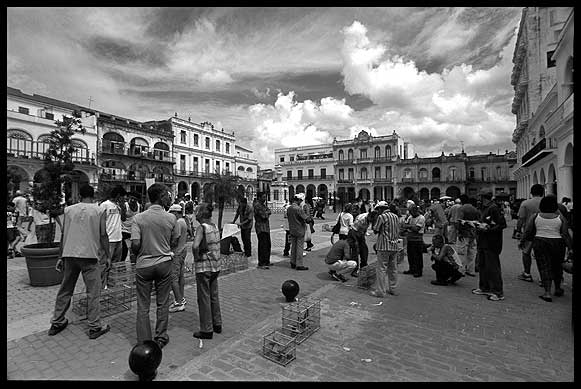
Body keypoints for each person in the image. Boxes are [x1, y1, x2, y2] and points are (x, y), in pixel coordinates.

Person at [48, 183, 111, 339]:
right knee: (93, 292)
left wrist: (60, 256)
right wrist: (108, 255)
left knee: (66, 289)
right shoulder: (99, 210)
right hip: (89, 255)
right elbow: (103, 234)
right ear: (93, 195)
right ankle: (94, 326)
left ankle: (57, 321)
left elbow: (64, 234)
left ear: (79, 196)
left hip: (70, 254)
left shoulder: (69, 210)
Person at [131, 183, 178, 349]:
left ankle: (144, 341)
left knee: (143, 305)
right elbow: (174, 241)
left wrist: (140, 249)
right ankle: (161, 336)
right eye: (166, 194)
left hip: (144, 265)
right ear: (160, 196)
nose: (168, 197)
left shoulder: (138, 218)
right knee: (162, 302)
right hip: (164, 263)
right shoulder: (171, 218)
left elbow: (135, 244)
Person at [521, 195, 572, 302]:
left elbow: (528, 230)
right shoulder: (560, 217)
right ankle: (558, 288)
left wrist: (522, 241)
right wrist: (570, 247)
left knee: (544, 267)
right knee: (557, 266)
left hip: (540, 242)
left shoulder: (535, 216)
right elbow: (565, 234)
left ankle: (547, 292)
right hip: (558, 243)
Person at [191, 202, 223, 339]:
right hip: (216, 265)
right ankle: (217, 323)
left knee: (204, 298)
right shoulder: (214, 226)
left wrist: (197, 257)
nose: (195, 215)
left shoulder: (201, 228)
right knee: (214, 296)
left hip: (204, 266)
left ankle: (206, 329)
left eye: (196, 212)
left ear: (201, 214)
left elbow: (195, 246)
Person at [471, 191, 507, 302]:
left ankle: (498, 292)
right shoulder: (484, 208)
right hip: (483, 241)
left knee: (492, 267)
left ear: (483, 198)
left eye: (480, 197)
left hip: (491, 242)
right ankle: (484, 287)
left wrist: (488, 229)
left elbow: (502, 224)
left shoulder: (493, 208)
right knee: (483, 265)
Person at [515, 184, 544, 283]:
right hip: (543, 231)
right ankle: (542, 277)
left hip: (529, 232)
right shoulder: (546, 203)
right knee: (541, 255)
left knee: (526, 252)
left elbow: (521, 219)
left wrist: (518, 231)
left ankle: (527, 273)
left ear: (531, 192)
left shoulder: (525, 203)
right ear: (543, 192)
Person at [370, 202, 400, 298]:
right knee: (393, 269)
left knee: (381, 269)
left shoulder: (382, 217)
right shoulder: (395, 216)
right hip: (394, 245)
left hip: (384, 246)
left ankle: (380, 291)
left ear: (380, 209)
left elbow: (376, 230)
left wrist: (374, 221)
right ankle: (393, 289)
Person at [168, 204, 189, 313]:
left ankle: (178, 302)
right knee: (180, 276)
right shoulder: (183, 221)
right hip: (183, 250)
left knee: (173, 278)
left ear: (175, 212)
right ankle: (181, 297)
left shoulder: (178, 222)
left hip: (177, 252)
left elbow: (175, 238)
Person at [456, 194, 480, 277]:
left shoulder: (461, 208)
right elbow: (478, 221)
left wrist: (459, 232)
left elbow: (459, 221)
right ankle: (471, 270)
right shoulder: (474, 209)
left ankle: (461, 270)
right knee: (472, 252)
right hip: (473, 233)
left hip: (464, 232)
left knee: (462, 252)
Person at [286, 194, 311, 270]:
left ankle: (292, 262)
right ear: (298, 200)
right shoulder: (298, 209)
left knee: (293, 246)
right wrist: (309, 218)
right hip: (299, 229)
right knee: (300, 247)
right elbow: (306, 219)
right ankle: (299, 264)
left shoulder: (289, 208)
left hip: (292, 229)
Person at [401, 204, 426, 278]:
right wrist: (410, 227)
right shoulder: (410, 217)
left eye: (411, 211)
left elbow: (416, 229)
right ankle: (411, 269)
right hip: (410, 239)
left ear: (415, 210)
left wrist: (408, 226)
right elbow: (405, 226)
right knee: (410, 255)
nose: (410, 213)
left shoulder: (421, 218)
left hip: (417, 239)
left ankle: (418, 271)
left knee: (417, 256)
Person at [349, 208, 372, 277]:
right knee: (355, 252)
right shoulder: (361, 219)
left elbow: (364, 229)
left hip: (360, 234)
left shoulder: (369, 219)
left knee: (364, 250)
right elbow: (353, 230)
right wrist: (355, 242)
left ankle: (363, 267)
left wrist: (363, 237)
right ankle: (354, 270)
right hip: (353, 234)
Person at [253, 191, 272, 269]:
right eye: (263, 197)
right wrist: (267, 213)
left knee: (268, 245)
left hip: (266, 228)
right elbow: (264, 216)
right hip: (261, 228)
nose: (265, 199)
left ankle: (266, 261)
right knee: (262, 245)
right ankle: (261, 263)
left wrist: (267, 213)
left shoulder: (263, 205)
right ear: (259, 197)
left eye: (265, 197)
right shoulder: (257, 205)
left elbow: (269, 211)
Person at [123, 193, 142, 264]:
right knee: (126, 251)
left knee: (133, 250)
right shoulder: (125, 205)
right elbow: (122, 218)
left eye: (134, 199)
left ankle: (133, 265)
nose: (132, 200)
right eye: (131, 198)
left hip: (135, 231)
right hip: (124, 230)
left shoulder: (139, 206)